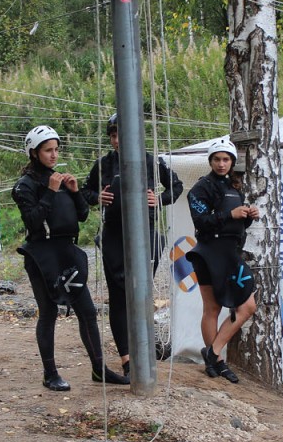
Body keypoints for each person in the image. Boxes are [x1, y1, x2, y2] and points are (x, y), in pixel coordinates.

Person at [13, 125, 130, 392]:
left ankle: (99, 370)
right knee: (49, 313)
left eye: (56, 149)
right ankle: (50, 374)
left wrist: (75, 192)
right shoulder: (24, 185)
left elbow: (82, 215)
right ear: (34, 153)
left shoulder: (60, 179)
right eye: (48, 150)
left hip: (67, 253)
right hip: (41, 255)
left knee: (87, 311)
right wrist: (50, 192)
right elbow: (33, 221)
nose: (54, 155)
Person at [81, 112, 184, 375]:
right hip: (114, 235)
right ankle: (127, 360)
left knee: (140, 293)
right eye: (114, 136)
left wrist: (159, 199)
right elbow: (85, 192)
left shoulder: (151, 162)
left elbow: (176, 186)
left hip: (146, 234)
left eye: (122, 135)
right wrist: (97, 197)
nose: (117, 141)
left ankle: (144, 353)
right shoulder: (103, 164)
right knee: (118, 297)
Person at [184, 138, 258, 384]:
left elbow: (235, 224)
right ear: (210, 161)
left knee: (247, 307)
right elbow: (201, 221)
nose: (221, 164)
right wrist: (230, 214)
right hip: (208, 253)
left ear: (232, 162)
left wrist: (248, 216)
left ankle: (212, 353)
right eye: (217, 159)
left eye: (226, 159)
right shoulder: (201, 187)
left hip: (230, 253)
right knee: (213, 308)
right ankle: (216, 362)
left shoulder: (234, 186)